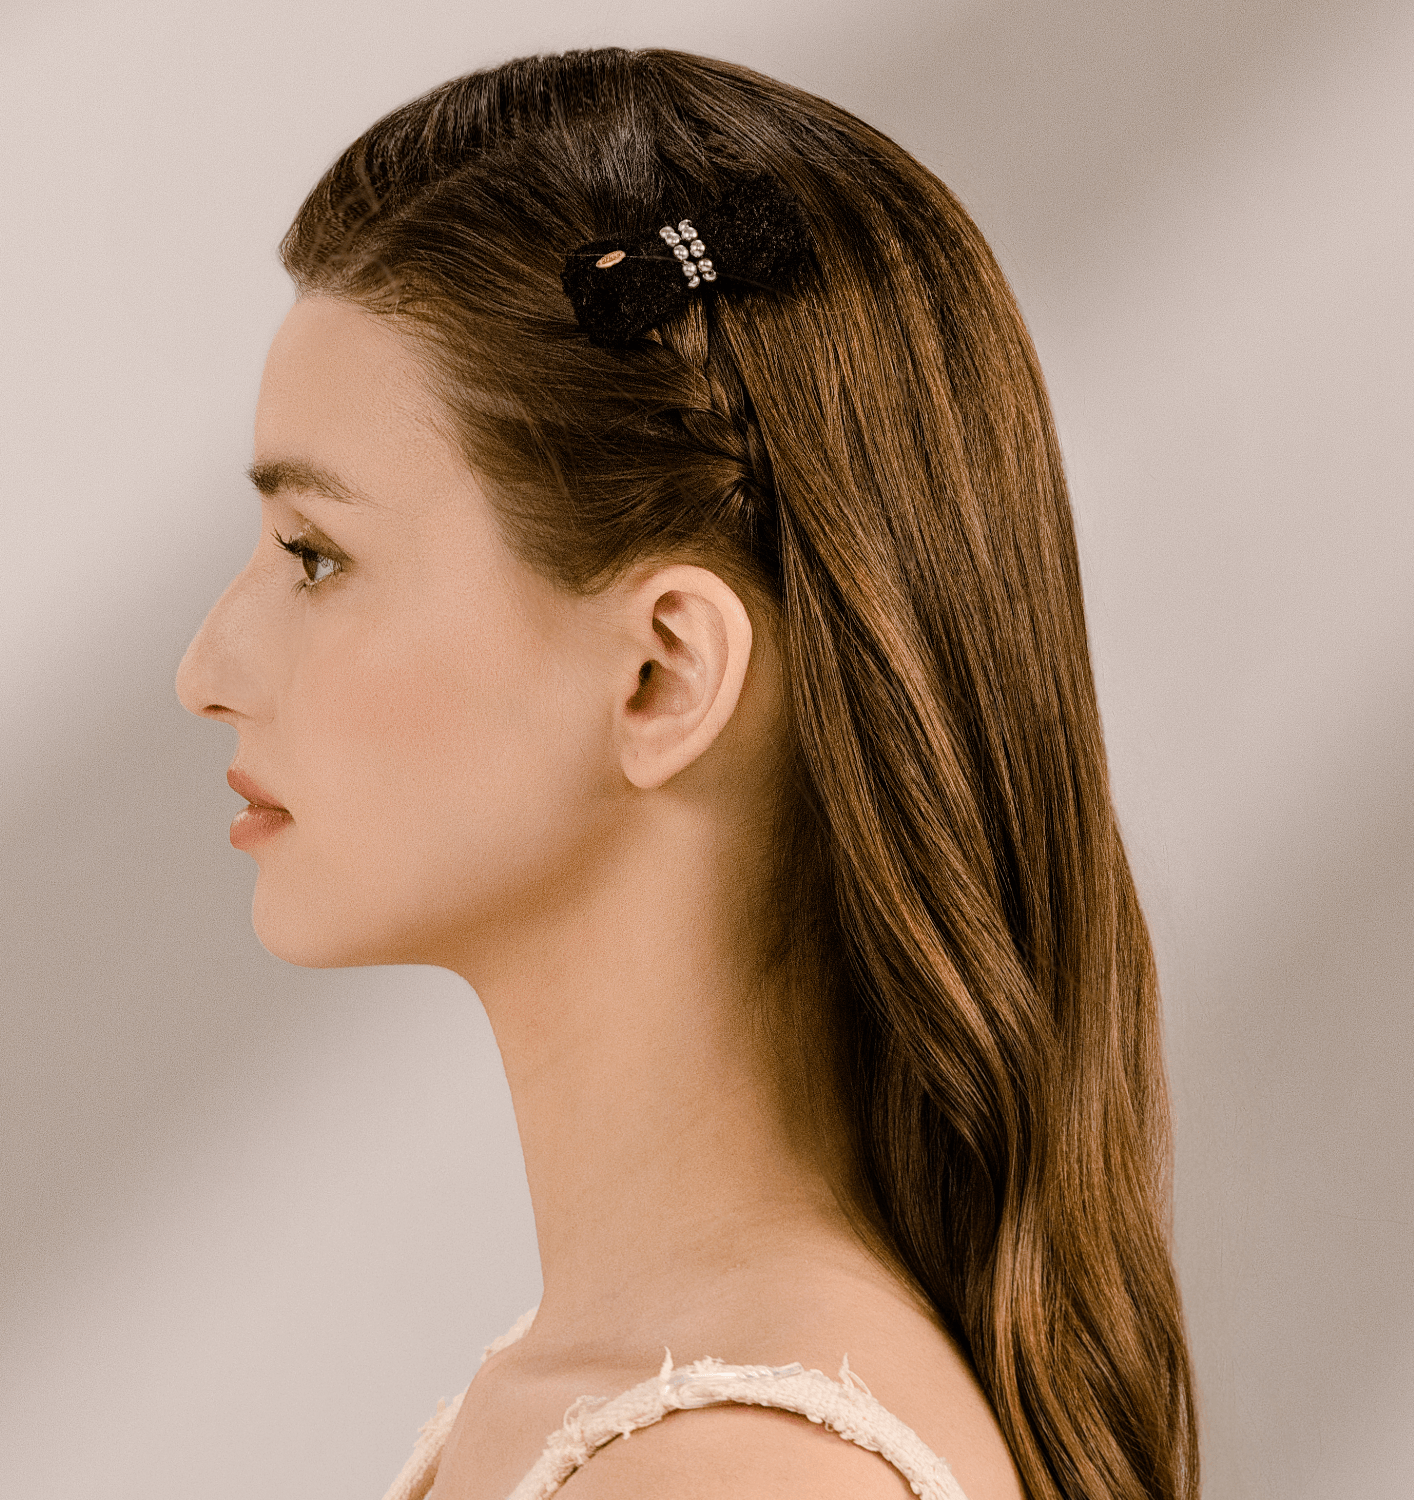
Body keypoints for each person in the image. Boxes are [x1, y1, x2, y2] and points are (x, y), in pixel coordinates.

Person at [175, 47, 1198, 1500]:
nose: (206, 667)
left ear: (662, 673)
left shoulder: (732, 1473)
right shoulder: (592, 1404)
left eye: (314, 555)